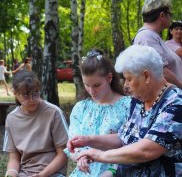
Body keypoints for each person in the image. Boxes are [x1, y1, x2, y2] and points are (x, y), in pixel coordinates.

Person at [67, 45, 182, 177]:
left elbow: (148, 149)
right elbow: (123, 137)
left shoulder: (175, 102)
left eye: (129, 79)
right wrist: (88, 140)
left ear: (146, 76)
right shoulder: (139, 101)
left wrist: (100, 155)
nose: (125, 86)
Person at [64, 49, 131, 177]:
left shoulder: (128, 105)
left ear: (109, 78)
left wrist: (111, 171)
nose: (91, 90)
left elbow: (131, 145)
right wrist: (80, 157)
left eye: (96, 85)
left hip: (117, 171)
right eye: (86, 85)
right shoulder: (81, 108)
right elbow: (72, 146)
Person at [4, 70, 68, 177]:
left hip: (53, 172)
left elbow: (64, 154)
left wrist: (41, 175)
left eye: (35, 93)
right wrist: (11, 173)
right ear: (15, 93)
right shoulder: (11, 119)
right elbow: (14, 158)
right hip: (24, 173)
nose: (32, 99)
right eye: (26, 95)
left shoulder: (53, 112)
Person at [133, 0, 182, 89]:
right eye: (170, 14)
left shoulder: (153, 36)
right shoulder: (146, 37)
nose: (171, 18)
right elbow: (160, 71)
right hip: (166, 99)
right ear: (162, 15)